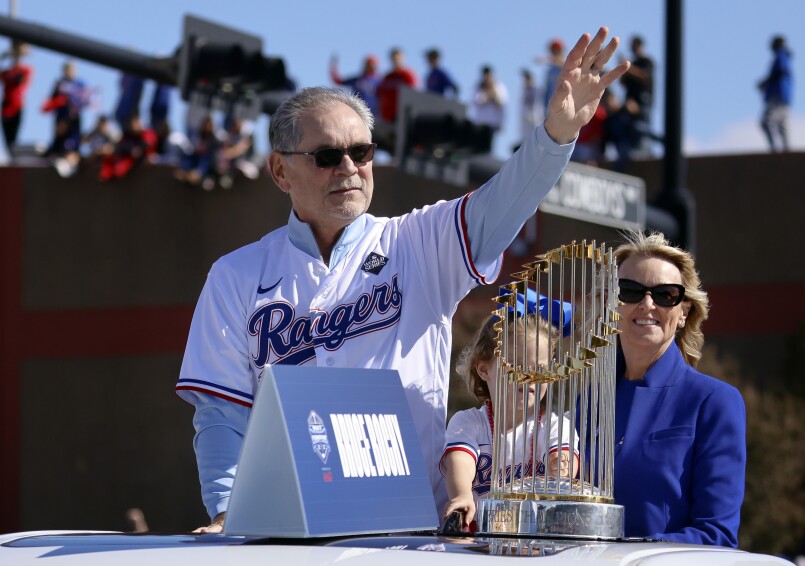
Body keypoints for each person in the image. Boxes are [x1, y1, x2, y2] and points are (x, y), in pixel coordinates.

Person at [175, 27, 630, 533]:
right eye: (327, 156)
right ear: (281, 172)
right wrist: (225, 511)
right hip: (288, 530)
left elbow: (501, 207)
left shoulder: (417, 241)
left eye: (362, 152)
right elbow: (221, 414)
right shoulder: (236, 274)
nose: (348, 168)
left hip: (407, 531)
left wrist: (555, 137)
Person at [579, 231, 746, 547]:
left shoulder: (715, 403)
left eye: (665, 294)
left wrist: (622, 555)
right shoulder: (585, 401)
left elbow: (716, 535)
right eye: (629, 291)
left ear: (684, 312)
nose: (646, 304)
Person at [442, 295, 578, 527]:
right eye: (516, 367)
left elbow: (564, 466)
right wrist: (462, 495)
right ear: (484, 369)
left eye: (540, 369)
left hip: (537, 542)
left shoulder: (556, 426)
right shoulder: (469, 423)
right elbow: (460, 460)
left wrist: (563, 466)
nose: (529, 378)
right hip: (476, 542)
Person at [618, 35, 655, 161]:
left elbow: (645, 76)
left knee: (642, 132)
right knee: (630, 134)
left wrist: (628, 67)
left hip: (642, 104)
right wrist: (622, 69)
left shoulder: (647, 61)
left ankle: (647, 156)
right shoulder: (632, 64)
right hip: (630, 106)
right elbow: (622, 83)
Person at [757, 35, 793, 152]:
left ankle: (774, 149)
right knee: (782, 125)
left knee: (766, 122)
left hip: (777, 95)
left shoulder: (781, 55)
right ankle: (786, 149)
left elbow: (781, 71)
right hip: (783, 96)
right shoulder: (784, 56)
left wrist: (767, 81)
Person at [0, 42, 33, 159]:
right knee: (7, 140)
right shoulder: (7, 71)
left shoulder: (25, 70)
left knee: (14, 140)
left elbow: (22, 81)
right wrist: (3, 59)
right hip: (5, 107)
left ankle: (14, 159)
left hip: (17, 106)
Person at [470, 65, 508, 150]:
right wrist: (487, 94)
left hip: (493, 124)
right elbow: (476, 101)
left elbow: (502, 102)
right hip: (480, 123)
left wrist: (493, 93)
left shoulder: (499, 87)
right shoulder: (478, 87)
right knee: (479, 147)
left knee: (489, 148)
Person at [376, 47, 418, 123]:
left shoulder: (407, 75)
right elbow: (382, 95)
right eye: (393, 58)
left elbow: (413, 93)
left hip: (404, 113)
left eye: (398, 58)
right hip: (388, 115)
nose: (396, 60)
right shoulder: (388, 77)